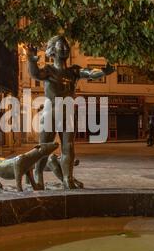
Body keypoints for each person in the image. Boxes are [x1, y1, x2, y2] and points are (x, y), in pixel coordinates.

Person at [26, 35, 114, 189]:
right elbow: (35, 74)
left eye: (67, 46)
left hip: (68, 112)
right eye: (62, 46)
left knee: (69, 146)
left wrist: (103, 72)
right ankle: (37, 175)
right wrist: (31, 60)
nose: (66, 48)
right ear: (52, 51)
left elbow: (89, 73)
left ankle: (68, 178)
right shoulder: (48, 70)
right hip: (50, 111)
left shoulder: (74, 71)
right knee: (43, 147)